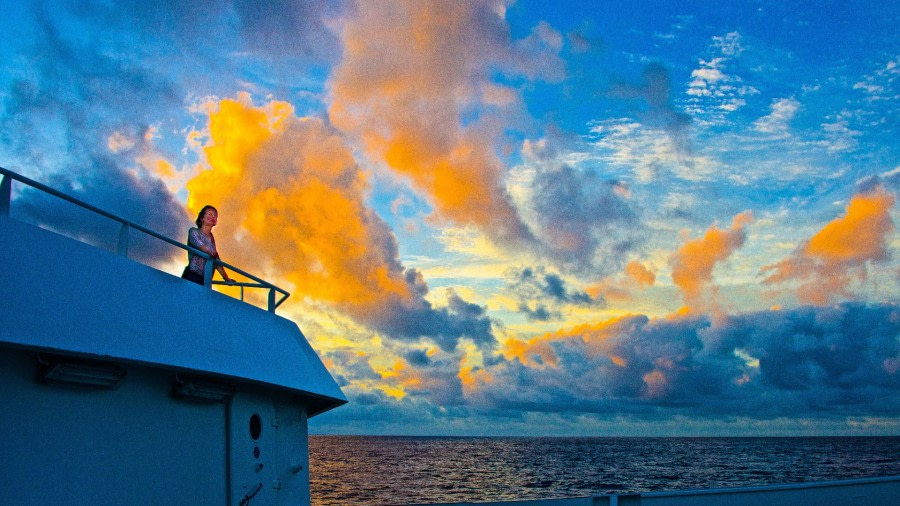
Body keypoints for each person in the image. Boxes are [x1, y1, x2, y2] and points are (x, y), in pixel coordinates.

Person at [181, 205, 233, 286]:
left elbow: (216, 259)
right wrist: (211, 253)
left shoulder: (211, 238)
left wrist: (226, 278)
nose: (213, 217)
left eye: (215, 216)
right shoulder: (193, 231)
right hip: (192, 276)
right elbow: (204, 248)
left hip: (206, 279)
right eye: (210, 214)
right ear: (202, 218)